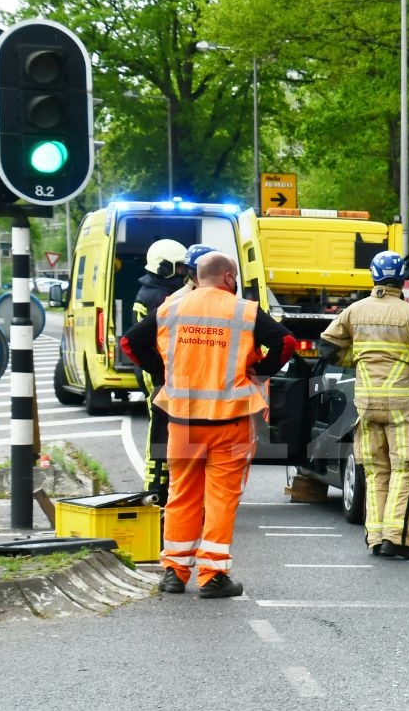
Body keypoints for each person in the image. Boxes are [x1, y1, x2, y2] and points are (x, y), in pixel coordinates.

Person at [121, 252, 296, 598]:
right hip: (230, 422)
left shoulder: (172, 307)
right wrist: (258, 373)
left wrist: (163, 373)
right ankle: (212, 575)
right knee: (221, 497)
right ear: (229, 277)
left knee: (181, 494)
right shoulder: (243, 311)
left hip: (184, 419)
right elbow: (286, 342)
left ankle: (173, 571)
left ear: (198, 277)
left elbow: (130, 342)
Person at [319, 251, 409, 560]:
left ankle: (376, 537)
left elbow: (327, 348)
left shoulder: (354, 312)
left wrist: (357, 360)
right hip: (402, 408)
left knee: (376, 471)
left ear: (373, 276)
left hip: (366, 406)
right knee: (405, 470)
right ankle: (400, 538)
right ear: (402, 279)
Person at [131, 239, 188, 505]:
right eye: (178, 269)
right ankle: (154, 486)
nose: (183, 274)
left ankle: (162, 483)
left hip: (160, 367)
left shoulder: (154, 289)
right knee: (159, 427)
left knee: (166, 427)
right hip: (157, 369)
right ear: (163, 268)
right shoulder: (157, 296)